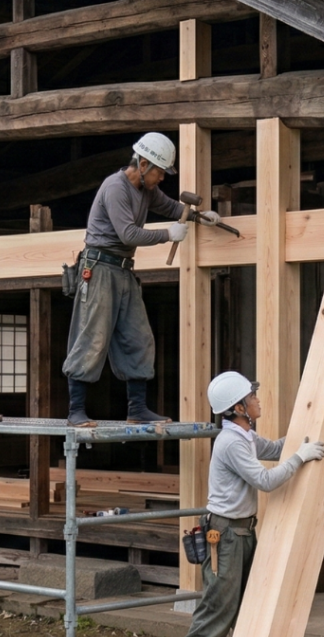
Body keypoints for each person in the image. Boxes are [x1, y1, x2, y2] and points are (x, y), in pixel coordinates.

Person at [182, 371, 324, 637]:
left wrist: (301, 442)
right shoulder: (231, 441)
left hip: (243, 531)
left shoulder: (245, 435)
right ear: (238, 407)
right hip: (225, 534)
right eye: (252, 397)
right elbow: (265, 480)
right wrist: (301, 457)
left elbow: (274, 449)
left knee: (250, 600)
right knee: (218, 601)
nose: (257, 400)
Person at [62, 132, 219, 425]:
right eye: (159, 171)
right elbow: (128, 234)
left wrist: (199, 217)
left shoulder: (146, 190)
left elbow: (172, 207)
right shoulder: (116, 187)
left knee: (139, 337)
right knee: (92, 336)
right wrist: (167, 234)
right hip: (99, 269)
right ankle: (76, 411)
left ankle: (136, 409)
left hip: (123, 270)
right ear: (144, 164)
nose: (161, 178)